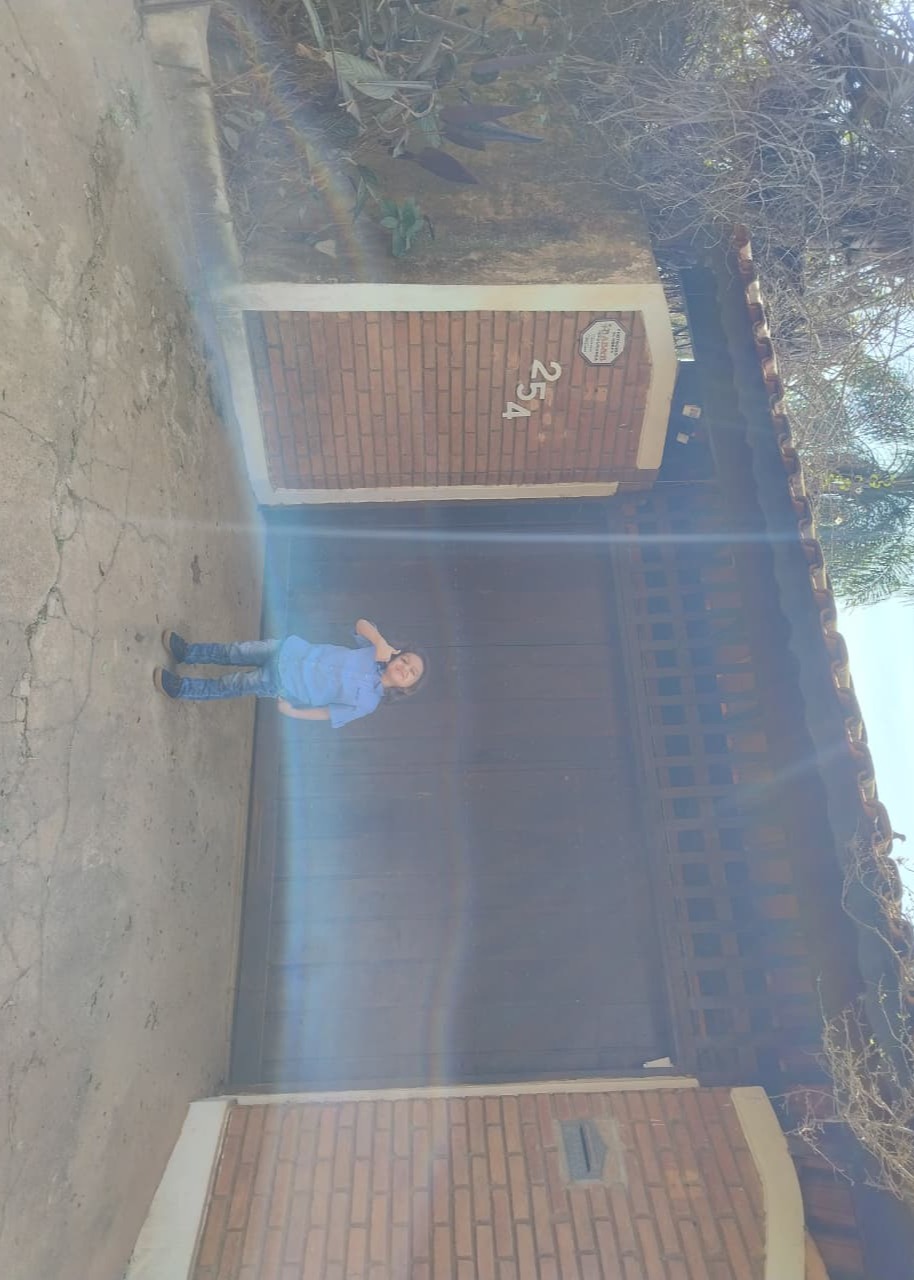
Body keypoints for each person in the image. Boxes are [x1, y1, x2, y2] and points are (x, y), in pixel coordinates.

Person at [152, 619, 427, 729]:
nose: (405, 668)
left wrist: (293, 712)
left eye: (411, 672)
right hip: (288, 650)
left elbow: (328, 713)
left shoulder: (368, 703)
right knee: (234, 651)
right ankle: (187, 652)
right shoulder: (374, 651)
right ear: (398, 655)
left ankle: (181, 688)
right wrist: (380, 641)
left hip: (285, 683)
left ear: (407, 687)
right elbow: (360, 624)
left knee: (233, 684)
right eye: (405, 660)